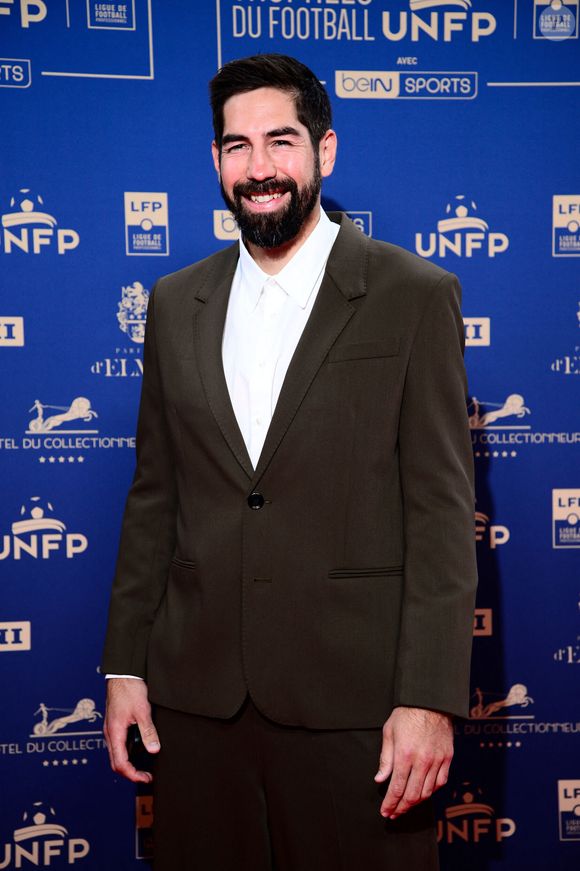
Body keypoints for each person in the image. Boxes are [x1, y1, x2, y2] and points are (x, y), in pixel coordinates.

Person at [102, 53, 478, 870]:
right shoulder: (174, 303)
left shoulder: (412, 293)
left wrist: (429, 697)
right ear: (215, 161)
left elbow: (444, 516)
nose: (259, 168)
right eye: (237, 146)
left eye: (281, 140)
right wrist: (125, 665)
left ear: (325, 150)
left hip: (359, 709)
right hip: (197, 707)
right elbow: (154, 498)